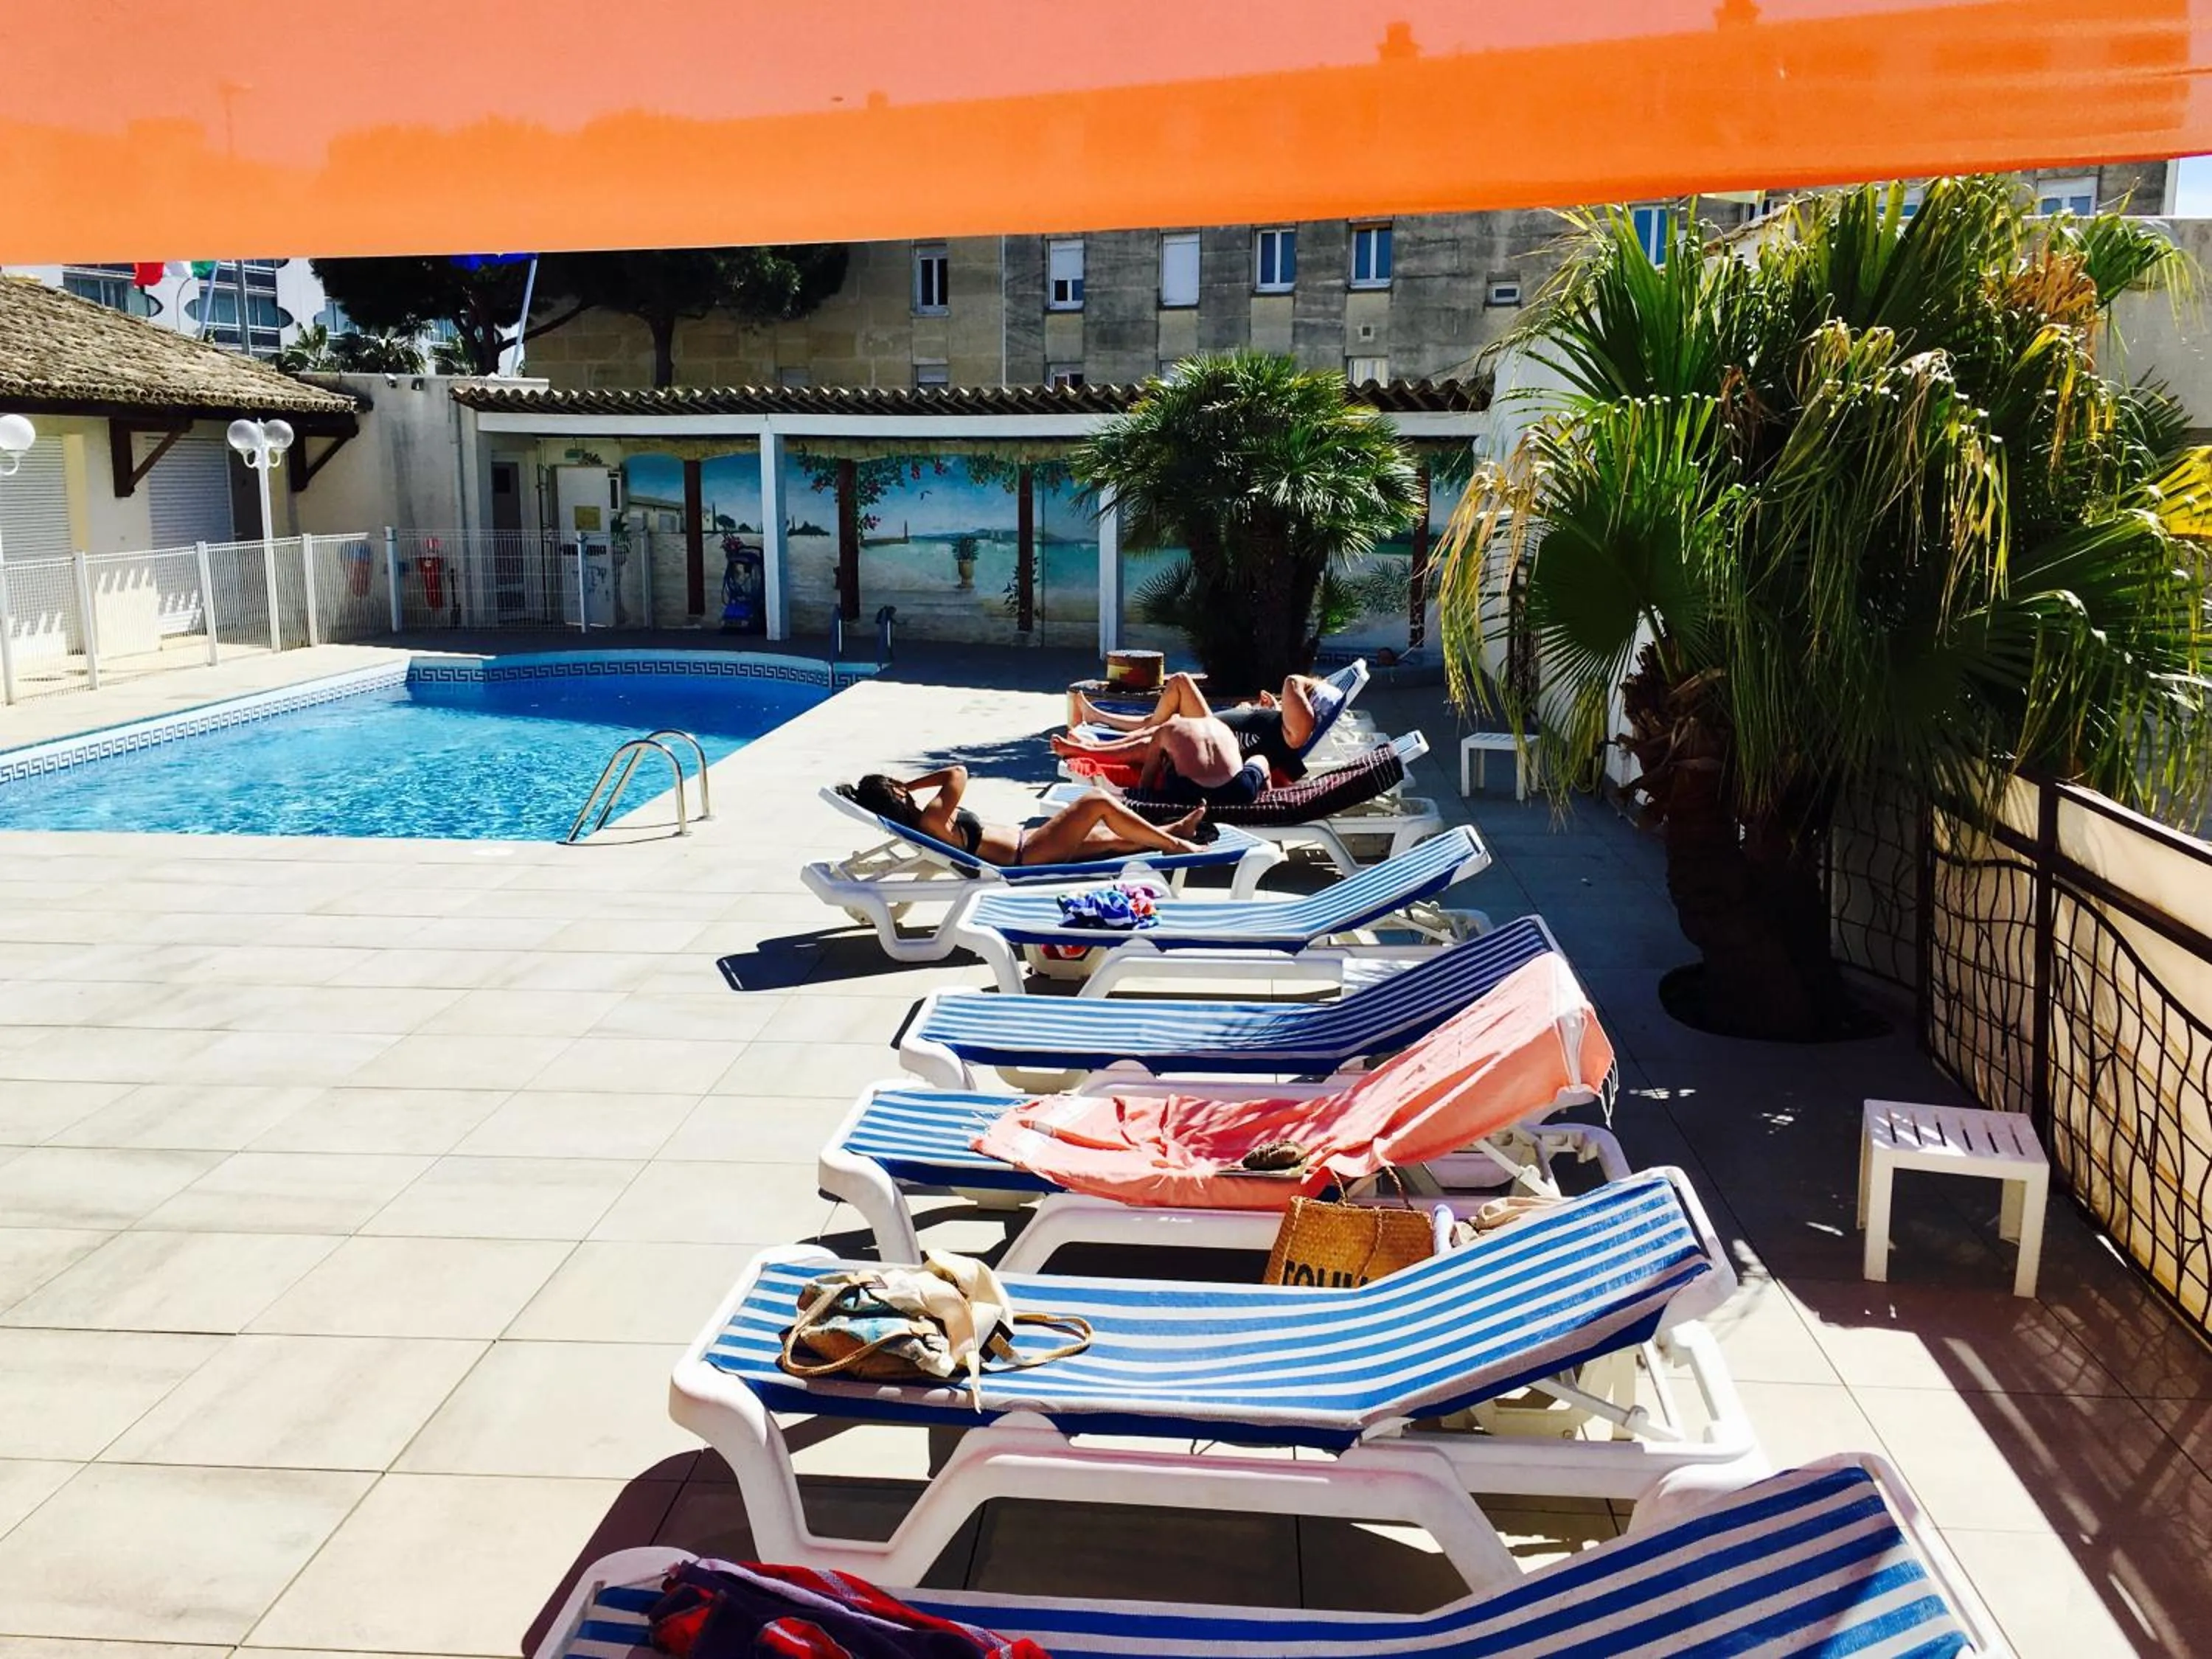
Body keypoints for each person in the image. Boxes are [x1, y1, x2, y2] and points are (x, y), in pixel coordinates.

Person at [841, 767, 1210, 866]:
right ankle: (1176, 843)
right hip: (1029, 853)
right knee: (1095, 801)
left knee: (1112, 840)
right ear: (897, 793)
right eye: (895, 784)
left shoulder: (928, 821)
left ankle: (1172, 831)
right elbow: (958, 772)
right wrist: (912, 782)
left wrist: (906, 787)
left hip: (1029, 847)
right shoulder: (931, 820)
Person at [1058, 671, 1342, 783]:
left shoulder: (1298, 731)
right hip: (1211, 727)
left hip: (1211, 743)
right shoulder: (1286, 725)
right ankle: (1095, 740)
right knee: (1176, 691)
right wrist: (1272, 710)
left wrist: (1310, 684)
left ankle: (1091, 750)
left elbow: (1291, 681)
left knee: (1154, 740)